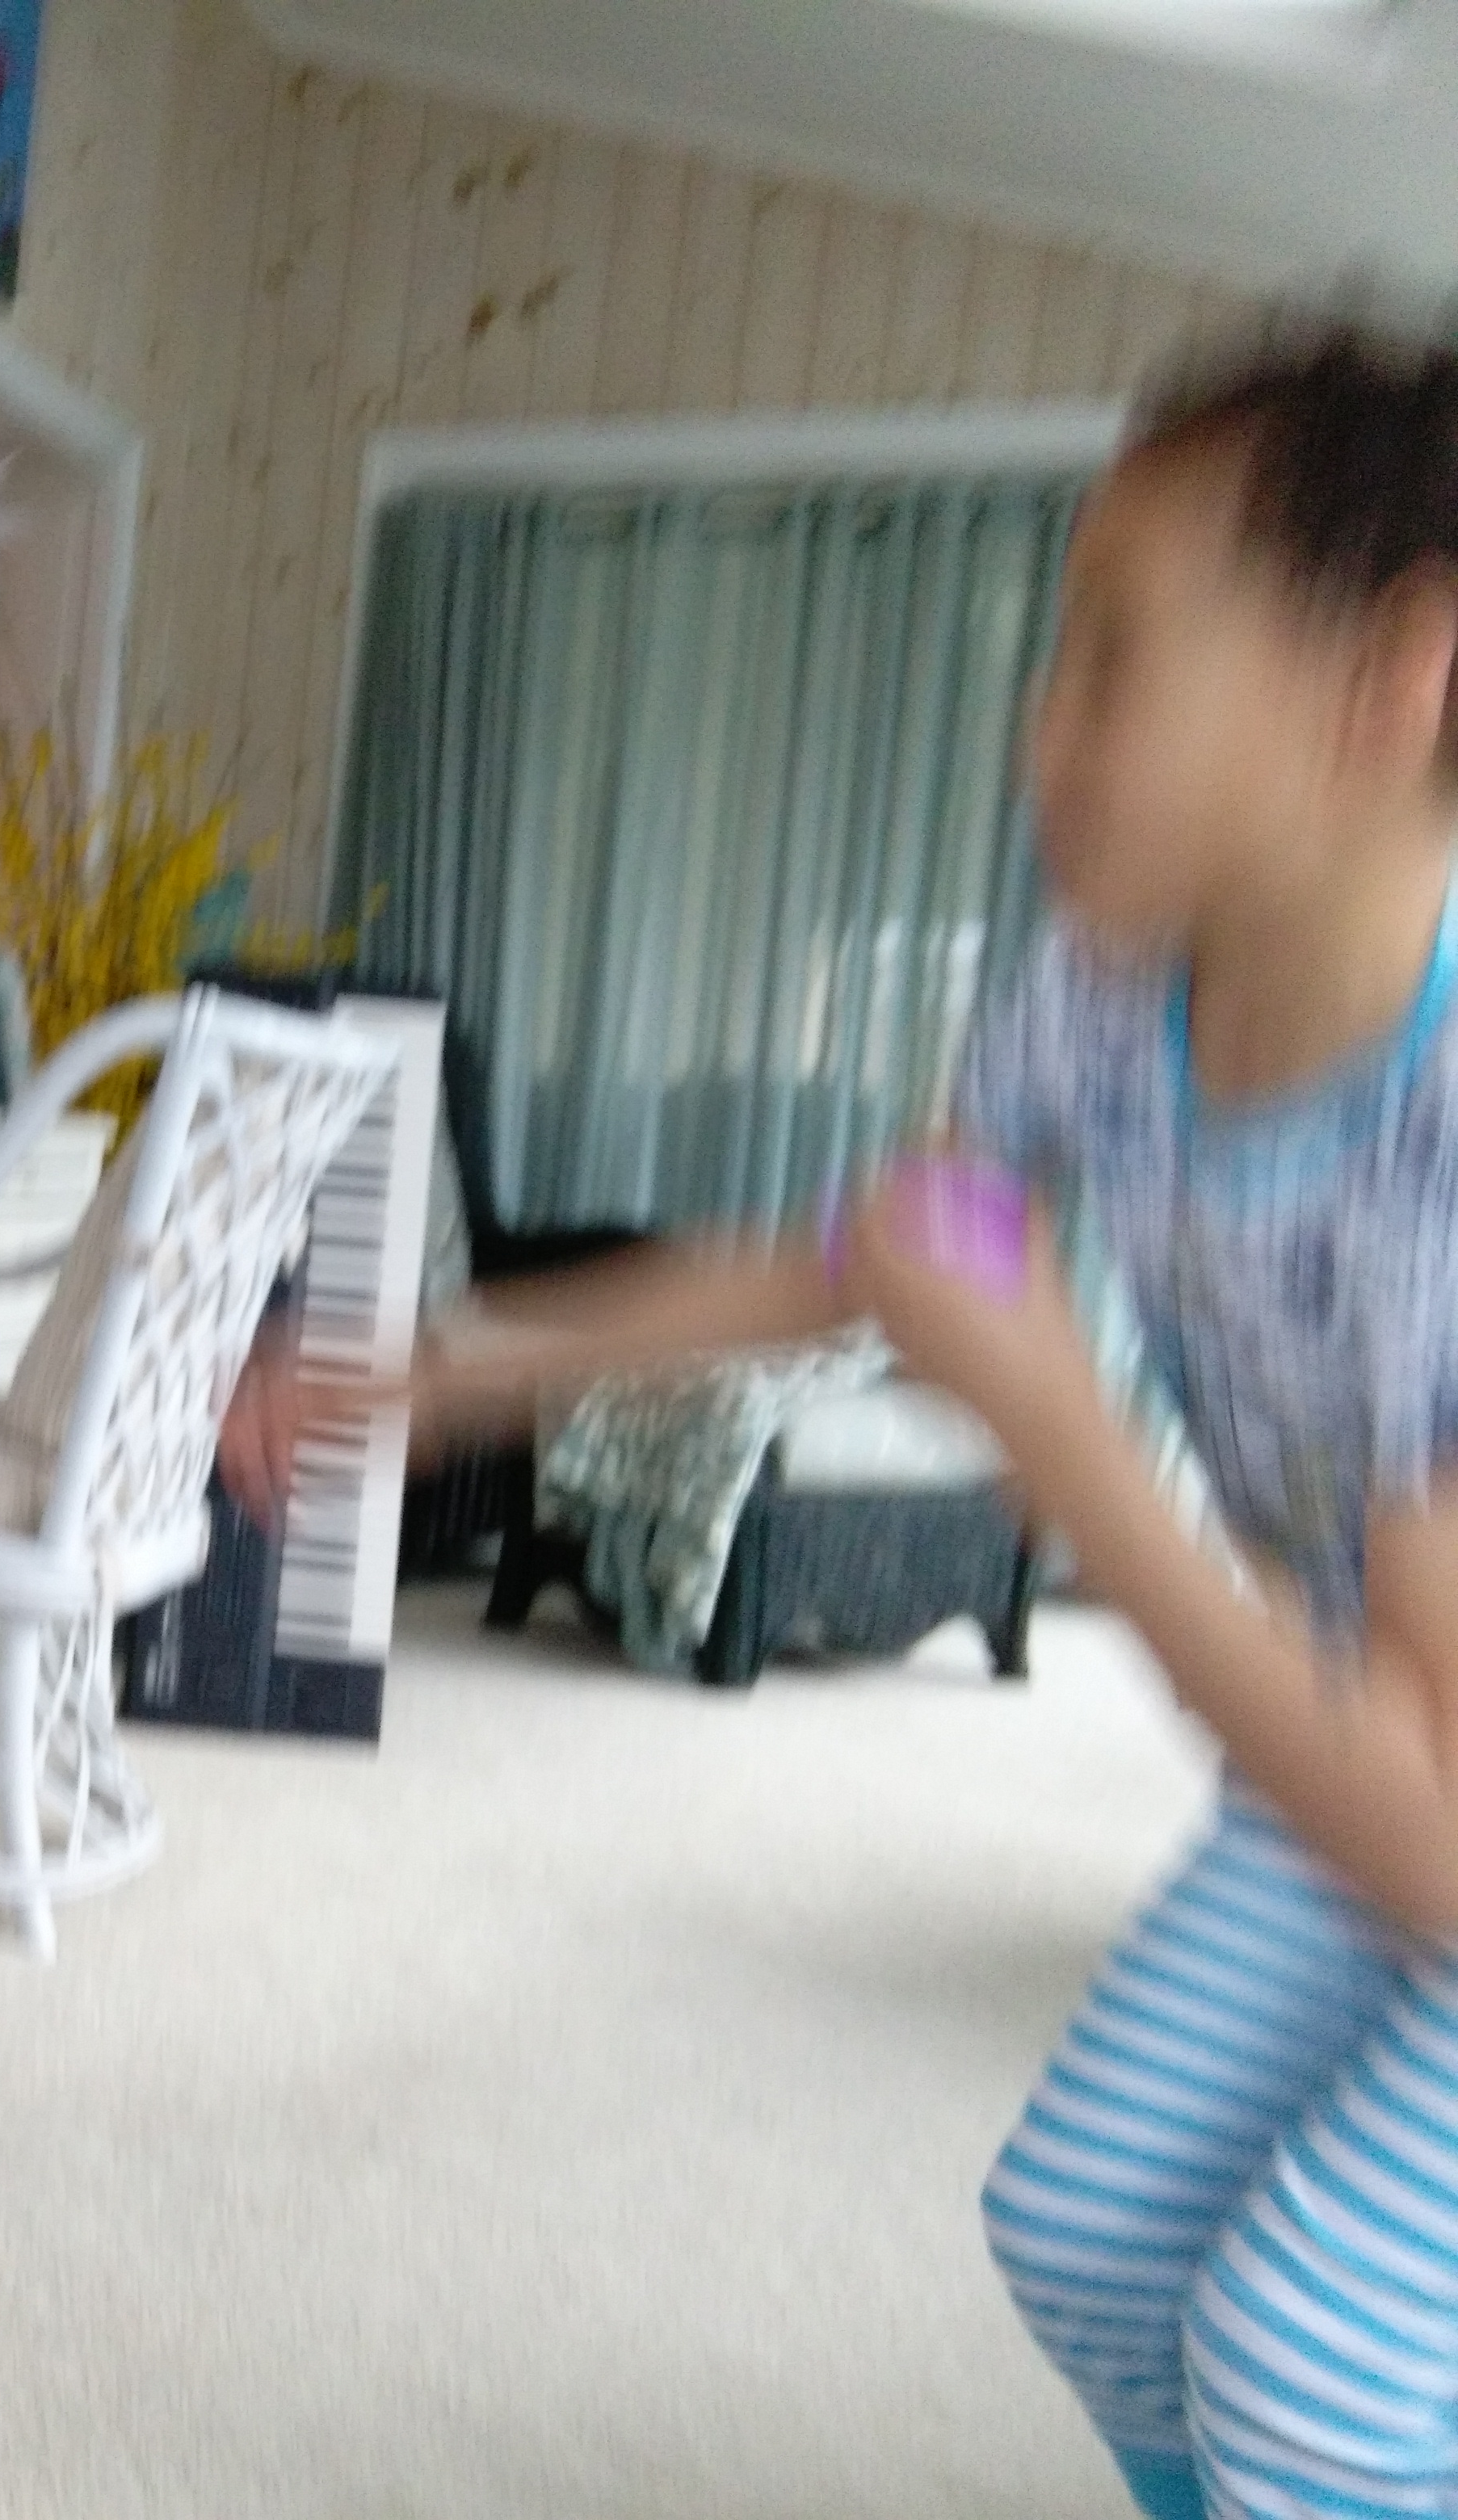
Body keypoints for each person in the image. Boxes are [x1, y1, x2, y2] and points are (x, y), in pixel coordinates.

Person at [224, 318, 1458, 2520]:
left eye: (1112, 657)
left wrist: (1063, 1437)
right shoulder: (1107, 999)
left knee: (1315, 2372)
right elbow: (875, 1251)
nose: (1038, 728)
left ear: (1390, 684)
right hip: (1358, 1743)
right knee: (1084, 2230)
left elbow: (1435, 1834)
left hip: (1427, 1794)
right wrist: (445, 1372)